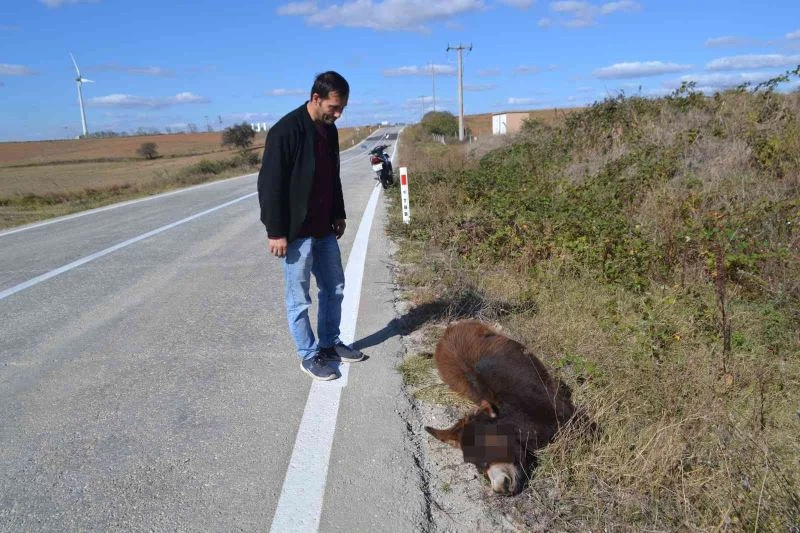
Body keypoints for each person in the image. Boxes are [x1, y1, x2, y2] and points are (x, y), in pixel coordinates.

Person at [257, 71, 364, 381]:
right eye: (334, 107)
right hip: (295, 233)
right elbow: (270, 185)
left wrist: (338, 213)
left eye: (342, 108)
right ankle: (308, 354)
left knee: (334, 288)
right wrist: (275, 231)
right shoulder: (285, 131)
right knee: (299, 298)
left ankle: (329, 344)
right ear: (316, 98)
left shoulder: (329, 131)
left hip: (323, 229)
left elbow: (333, 176)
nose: (338, 114)